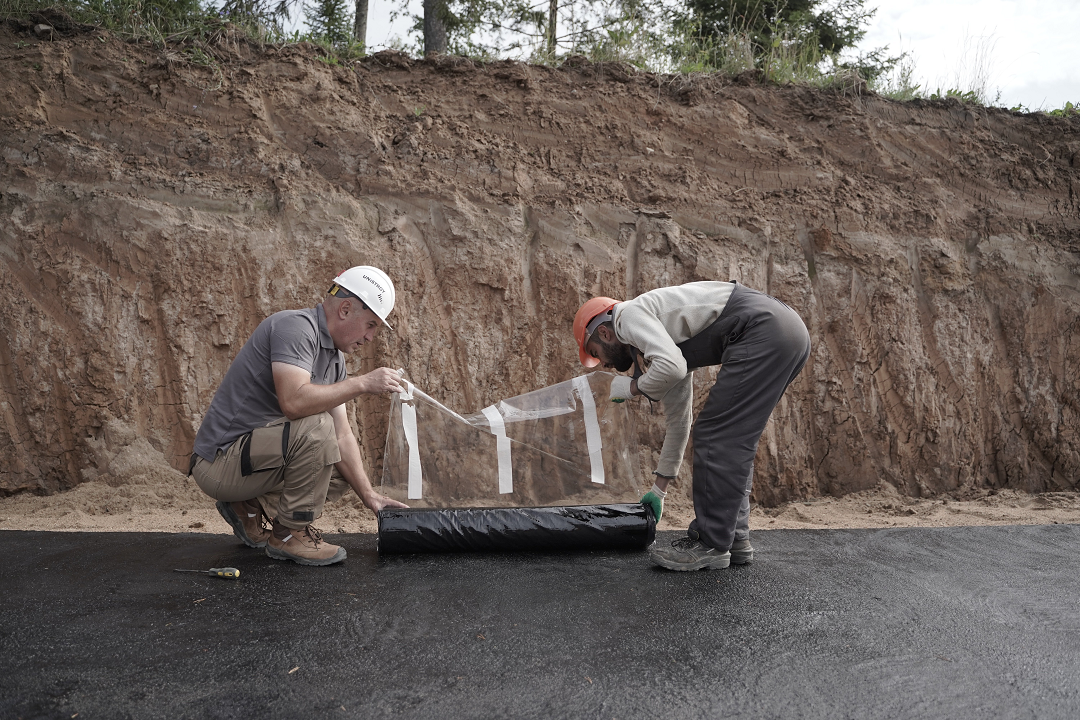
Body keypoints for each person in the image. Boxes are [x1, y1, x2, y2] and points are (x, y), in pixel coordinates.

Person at [573, 281, 810, 571]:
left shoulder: (628, 315)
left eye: (596, 353)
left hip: (764, 330)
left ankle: (711, 543)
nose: (603, 364)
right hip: (786, 331)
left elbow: (672, 368)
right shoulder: (662, 341)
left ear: (605, 332)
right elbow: (679, 420)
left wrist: (632, 388)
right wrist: (659, 490)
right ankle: (734, 538)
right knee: (733, 438)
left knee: (716, 433)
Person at [190, 266, 408, 566]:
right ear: (345, 309)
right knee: (317, 427)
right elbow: (293, 402)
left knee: (341, 470)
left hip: (249, 465)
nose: (371, 337)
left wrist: (369, 495)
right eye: (370, 325)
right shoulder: (296, 328)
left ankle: (247, 505)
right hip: (218, 464)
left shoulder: (334, 361)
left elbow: (343, 436)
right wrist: (362, 383)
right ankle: (288, 535)